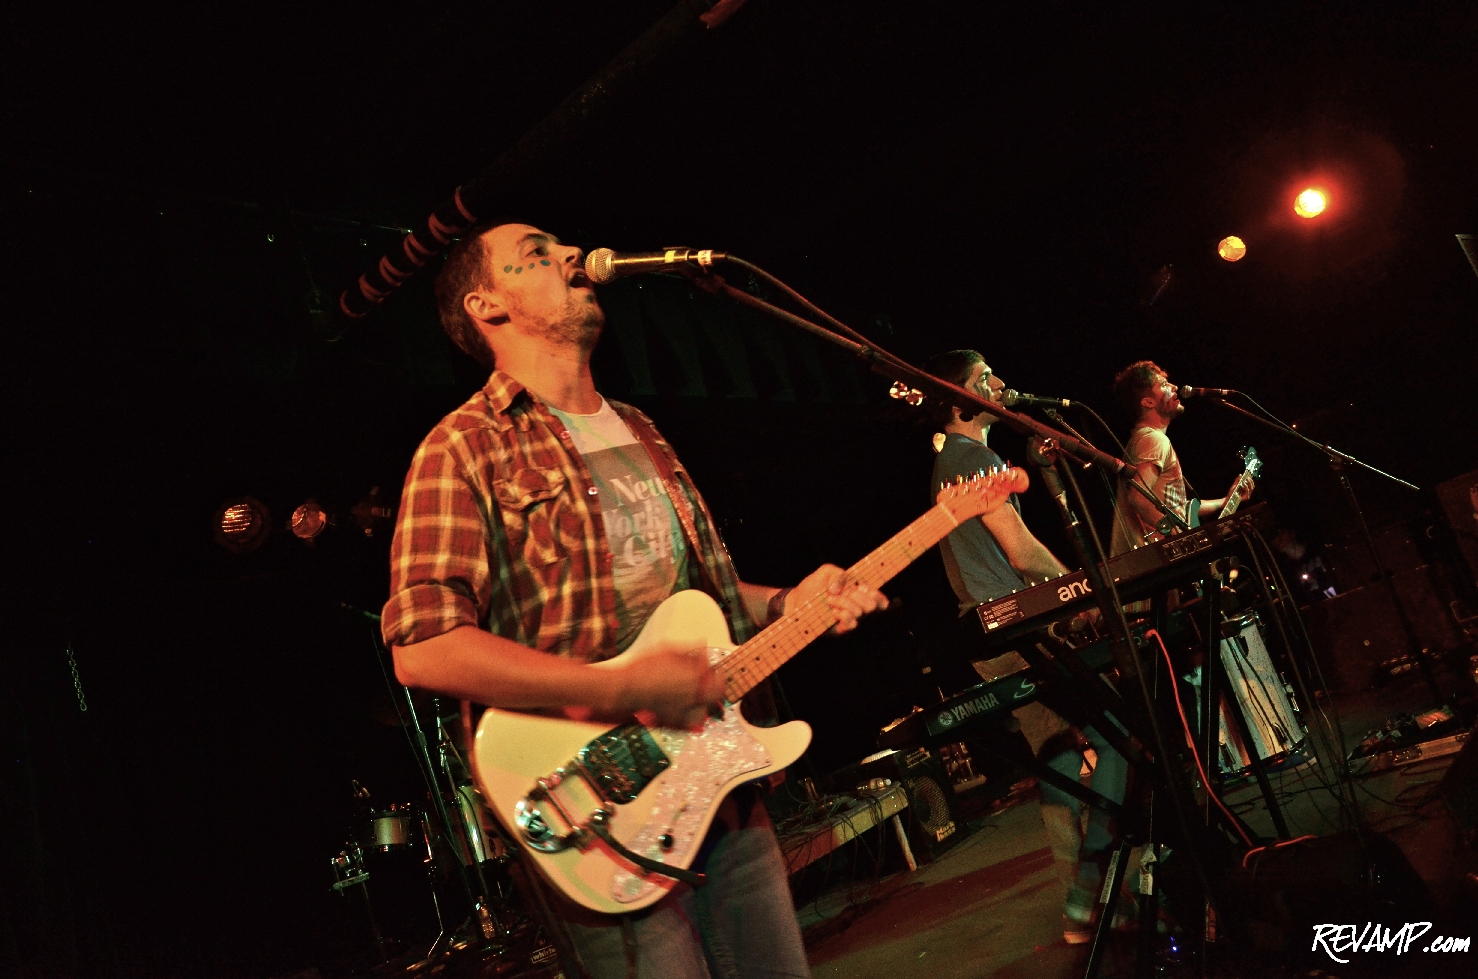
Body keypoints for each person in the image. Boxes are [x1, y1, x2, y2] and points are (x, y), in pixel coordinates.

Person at [380, 221, 888, 979]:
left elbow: (698, 602)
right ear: (486, 306)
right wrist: (622, 688)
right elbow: (423, 649)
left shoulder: (641, 429)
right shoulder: (463, 446)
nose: (570, 255)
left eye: (563, 245)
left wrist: (787, 601)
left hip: (720, 777)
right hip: (595, 804)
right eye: (537, 254)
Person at [924, 348, 1129, 945]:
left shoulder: (946, 464)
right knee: (1119, 737)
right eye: (986, 378)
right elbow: (1019, 550)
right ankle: (1091, 887)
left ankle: (1082, 907)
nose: (1001, 384)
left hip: (990, 631)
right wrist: (1083, 587)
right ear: (961, 400)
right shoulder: (973, 457)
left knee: (1060, 759)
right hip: (1018, 631)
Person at [1109, 361, 1254, 556]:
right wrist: (1177, 535)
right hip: (1160, 558)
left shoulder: (1146, 439)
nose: (1174, 387)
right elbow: (1138, 498)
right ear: (1148, 402)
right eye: (1163, 384)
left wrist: (1226, 501)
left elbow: (1179, 509)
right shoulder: (1153, 439)